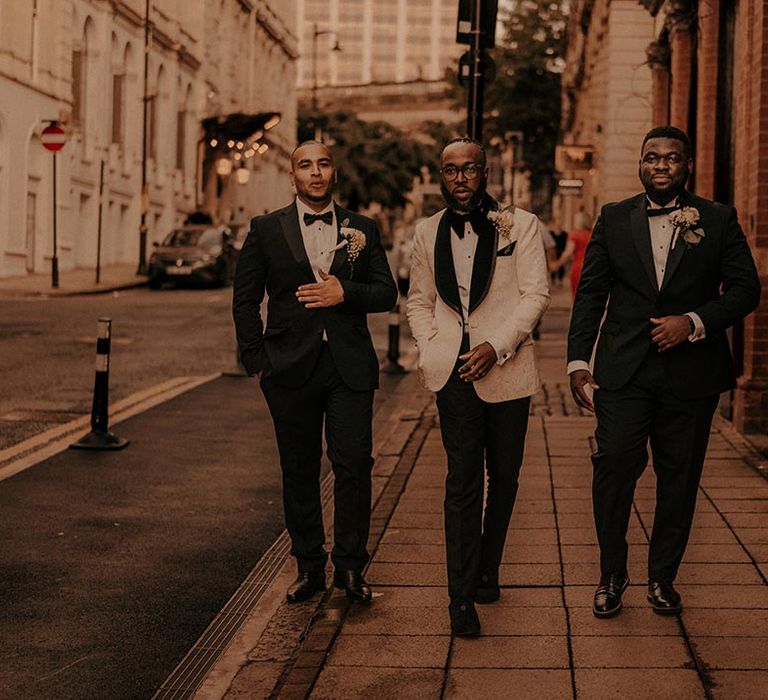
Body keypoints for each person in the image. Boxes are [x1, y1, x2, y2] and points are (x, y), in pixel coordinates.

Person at [567, 126, 761, 619]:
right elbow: (592, 294)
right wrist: (577, 362)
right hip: (623, 371)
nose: (660, 165)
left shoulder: (717, 219)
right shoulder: (613, 218)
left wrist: (693, 322)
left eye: (671, 158)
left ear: (687, 165)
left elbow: (745, 289)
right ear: (640, 162)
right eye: (651, 157)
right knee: (613, 468)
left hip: (691, 375)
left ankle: (662, 578)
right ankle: (613, 573)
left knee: (679, 479)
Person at [232, 141, 397, 604]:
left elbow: (387, 293)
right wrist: (257, 359)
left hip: (348, 366)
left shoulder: (362, 228)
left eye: (323, 163)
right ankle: (308, 566)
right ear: (293, 176)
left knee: (354, 466)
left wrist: (346, 293)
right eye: (306, 165)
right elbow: (245, 299)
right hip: (288, 367)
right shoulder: (266, 229)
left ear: (335, 172)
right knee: (299, 469)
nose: (316, 172)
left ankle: (350, 568)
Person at [407, 137, 550, 636]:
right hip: (454, 375)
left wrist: (497, 346)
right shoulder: (425, 232)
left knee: (504, 478)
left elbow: (536, 294)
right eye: (450, 170)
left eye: (469, 169)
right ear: (441, 176)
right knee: (462, 483)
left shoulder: (521, 225)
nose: (460, 178)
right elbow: (419, 301)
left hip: (507, 370)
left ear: (485, 173)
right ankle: (461, 596)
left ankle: (489, 567)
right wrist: (432, 348)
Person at [551, 211, 593, 299]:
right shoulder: (592, 235)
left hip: (578, 269)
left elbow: (568, 253)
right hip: (591, 268)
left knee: (577, 299)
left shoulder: (574, 235)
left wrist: (557, 264)